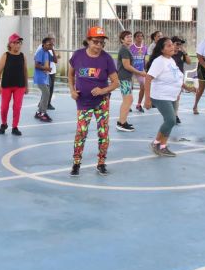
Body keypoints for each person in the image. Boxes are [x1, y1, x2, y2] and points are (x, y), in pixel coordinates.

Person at [68, 26, 119, 176]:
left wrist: (102, 91)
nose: (98, 46)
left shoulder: (107, 59)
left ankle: (101, 162)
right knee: (81, 132)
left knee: (103, 132)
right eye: (95, 42)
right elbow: (71, 75)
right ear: (88, 41)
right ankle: (76, 163)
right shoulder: (78, 56)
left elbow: (116, 82)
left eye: (101, 43)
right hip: (83, 102)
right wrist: (72, 90)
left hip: (101, 102)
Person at [145, 37, 191, 156]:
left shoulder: (171, 60)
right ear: (162, 49)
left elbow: (176, 77)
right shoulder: (159, 61)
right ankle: (156, 143)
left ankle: (163, 146)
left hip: (172, 96)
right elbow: (148, 79)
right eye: (169, 46)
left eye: (173, 45)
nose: (173, 47)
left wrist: (188, 88)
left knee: (169, 121)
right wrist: (147, 99)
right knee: (171, 120)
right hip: (161, 96)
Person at [0, 33, 28, 136]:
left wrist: (27, 86)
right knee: (4, 107)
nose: (17, 45)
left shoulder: (23, 56)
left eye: (19, 43)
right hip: (7, 86)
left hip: (20, 86)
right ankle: (4, 123)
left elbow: (25, 71)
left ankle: (15, 127)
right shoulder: (6, 55)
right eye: (15, 43)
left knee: (17, 107)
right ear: (10, 44)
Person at [116, 30, 147, 132]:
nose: (129, 38)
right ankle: (121, 123)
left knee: (128, 100)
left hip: (126, 77)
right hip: (124, 78)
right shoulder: (124, 50)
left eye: (130, 36)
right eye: (127, 37)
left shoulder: (127, 49)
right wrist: (140, 72)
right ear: (122, 40)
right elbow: (127, 66)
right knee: (127, 100)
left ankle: (122, 121)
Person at [171, 36, 191, 124]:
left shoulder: (181, 53)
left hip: (179, 78)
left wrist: (185, 52)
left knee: (177, 97)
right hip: (169, 78)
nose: (179, 46)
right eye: (177, 44)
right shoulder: (168, 53)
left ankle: (175, 115)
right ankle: (171, 115)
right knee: (170, 98)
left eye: (180, 44)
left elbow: (189, 62)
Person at [33, 37, 54, 122]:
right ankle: (43, 113)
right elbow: (36, 65)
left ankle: (39, 112)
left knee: (45, 94)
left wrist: (53, 50)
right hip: (40, 77)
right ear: (44, 44)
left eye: (52, 44)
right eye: (49, 44)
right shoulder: (40, 52)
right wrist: (46, 68)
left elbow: (55, 60)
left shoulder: (47, 52)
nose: (51, 45)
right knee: (46, 94)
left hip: (45, 77)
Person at [131, 31, 148, 113]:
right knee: (130, 87)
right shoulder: (131, 47)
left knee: (143, 87)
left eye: (141, 36)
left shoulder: (145, 47)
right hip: (131, 70)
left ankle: (138, 104)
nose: (140, 38)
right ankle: (128, 104)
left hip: (140, 70)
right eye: (138, 36)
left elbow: (144, 58)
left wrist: (145, 68)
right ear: (135, 38)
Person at [47, 38, 58, 111]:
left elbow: (55, 60)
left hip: (52, 71)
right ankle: (44, 104)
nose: (53, 43)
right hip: (46, 72)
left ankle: (48, 103)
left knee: (51, 89)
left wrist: (53, 50)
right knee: (46, 89)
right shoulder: (42, 48)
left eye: (53, 41)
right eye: (52, 41)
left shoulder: (52, 48)